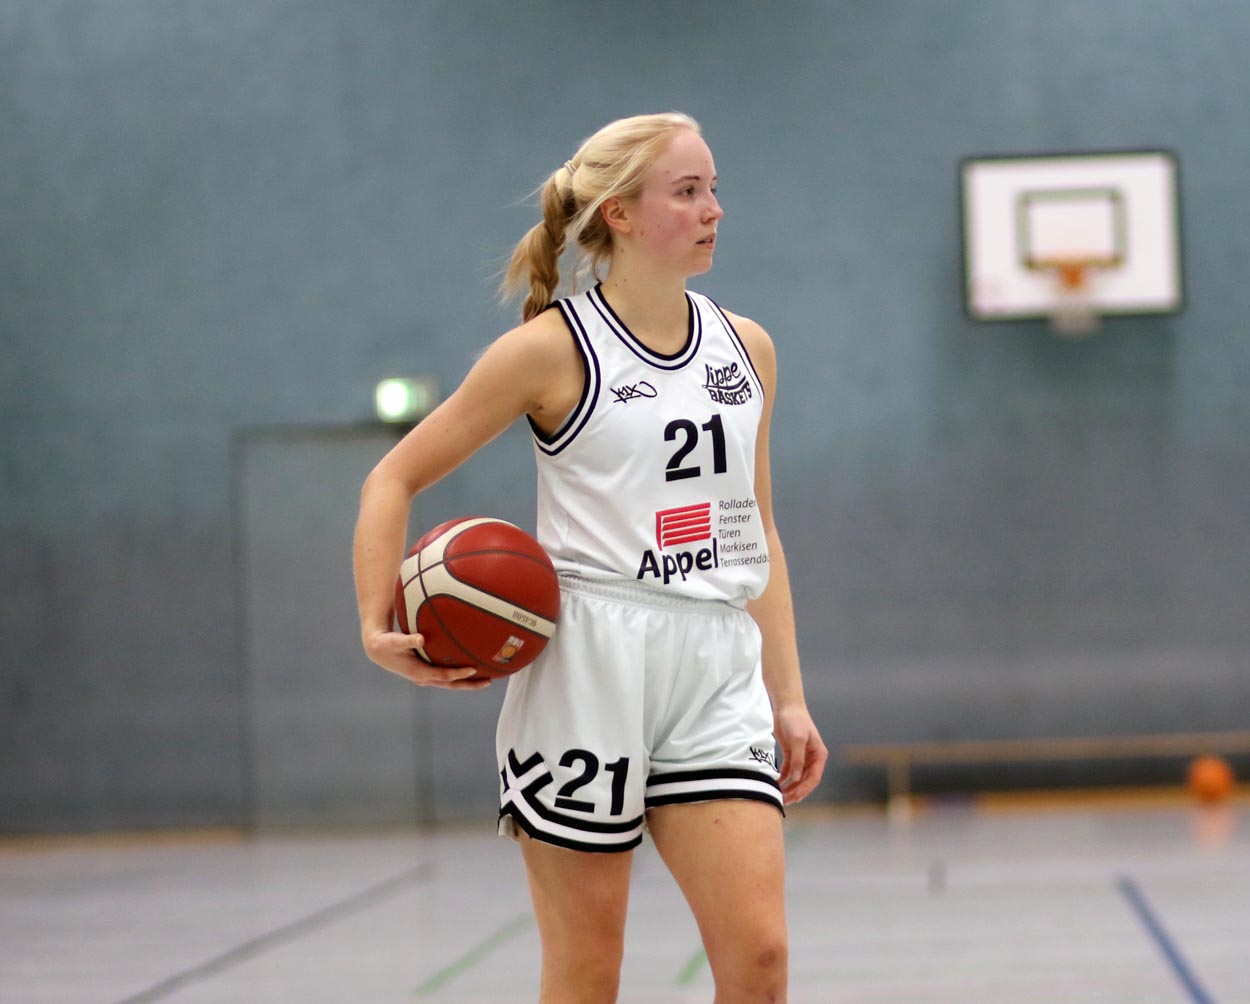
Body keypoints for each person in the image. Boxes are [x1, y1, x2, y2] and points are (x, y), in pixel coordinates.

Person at [354, 111, 827, 1004]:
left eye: (714, 189)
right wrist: (377, 625)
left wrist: (788, 694)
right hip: (588, 661)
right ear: (618, 213)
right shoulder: (550, 350)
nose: (713, 209)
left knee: (760, 961)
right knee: (586, 972)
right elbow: (392, 477)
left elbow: (755, 529)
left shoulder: (747, 348)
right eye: (687, 192)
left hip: (714, 662)